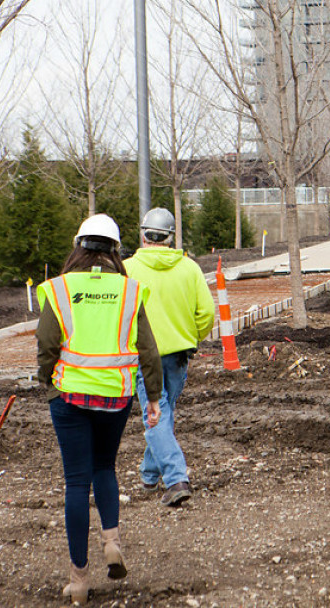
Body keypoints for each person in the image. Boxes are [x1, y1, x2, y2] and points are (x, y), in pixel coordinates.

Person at [37, 214, 162, 604]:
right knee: (104, 467)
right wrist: (153, 397)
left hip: (70, 397)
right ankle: (112, 541)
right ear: (115, 250)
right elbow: (148, 349)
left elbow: (46, 343)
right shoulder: (129, 290)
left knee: (76, 483)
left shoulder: (59, 289)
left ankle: (78, 581)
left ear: (79, 246)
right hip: (116, 397)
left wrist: (47, 381)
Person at [124, 207, 215, 507]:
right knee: (164, 412)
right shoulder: (189, 269)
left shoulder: (127, 270)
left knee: (156, 414)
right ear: (171, 236)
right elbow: (207, 313)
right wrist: (193, 336)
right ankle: (150, 474)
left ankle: (175, 478)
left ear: (143, 234)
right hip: (178, 355)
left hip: (142, 356)